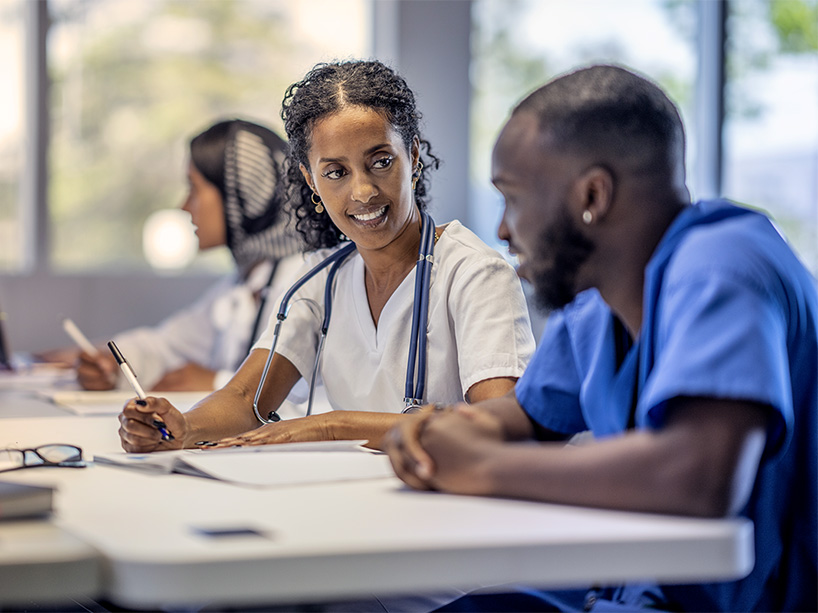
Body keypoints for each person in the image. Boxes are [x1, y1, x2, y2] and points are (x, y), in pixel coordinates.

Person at [384, 64, 817, 612]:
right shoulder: (596, 300)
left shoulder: (722, 267)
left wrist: (479, 466)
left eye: (511, 198)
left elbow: (700, 479)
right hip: (627, 588)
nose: (501, 230)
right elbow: (528, 419)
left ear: (593, 194)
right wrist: (437, 432)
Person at [117, 59, 534, 454]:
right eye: (335, 172)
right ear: (309, 179)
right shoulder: (321, 281)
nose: (363, 192)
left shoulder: (475, 274)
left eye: (381, 161)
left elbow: (494, 425)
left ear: (414, 156)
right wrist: (181, 428)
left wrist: (331, 426)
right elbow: (246, 398)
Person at [76, 119, 306, 393]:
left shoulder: (303, 281)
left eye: (194, 189)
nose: (184, 206)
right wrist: (113, 363)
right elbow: (168, 345)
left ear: (245, 194)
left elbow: (313, 399)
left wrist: (219, 385)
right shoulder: (245, 281)